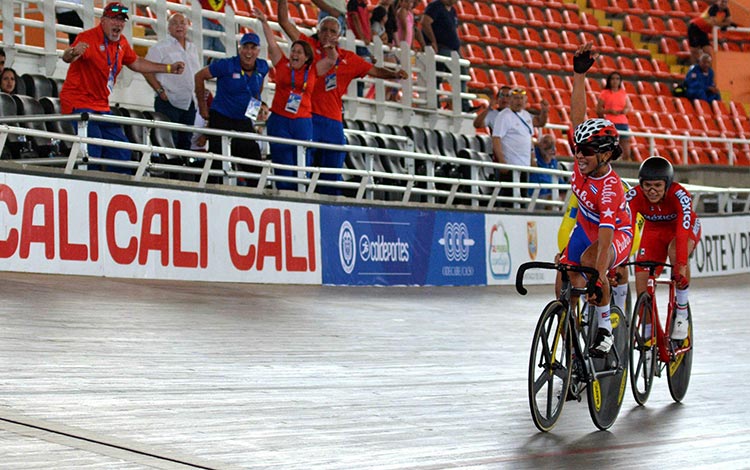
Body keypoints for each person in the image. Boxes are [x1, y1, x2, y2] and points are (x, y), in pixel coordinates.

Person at [278, 0, 408, 195]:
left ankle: (330, 209)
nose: (328, 34)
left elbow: (374, 70)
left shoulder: (347, 58)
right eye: (324, 30)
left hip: (333, 122)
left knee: (332, 172)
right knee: (304, 168)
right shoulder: (309, 48)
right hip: (308, 117)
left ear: (338, 36)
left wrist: (395, 73)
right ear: (318, 31)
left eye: (332, 31)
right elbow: (284, 22)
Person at [558, 42, 633, 356]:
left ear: (605, 155)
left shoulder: (609, 189)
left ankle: (605, 328)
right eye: (578, 150)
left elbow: (604, 243)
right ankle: (570, 341)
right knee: (564, 276)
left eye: (587, 152)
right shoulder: (583, 160)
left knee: (591, 266)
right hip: (586, 226)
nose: (579, 156)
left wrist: (601, 278)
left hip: (616, 234)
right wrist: (578, 75)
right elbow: (578, 119)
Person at [59, 2, 186, 174]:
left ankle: (117, 191)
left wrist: (169, 68)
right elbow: (68, 56)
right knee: (92, 150)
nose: (118, 24)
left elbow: (137, 63)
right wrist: (72, 53)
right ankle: (89, 189)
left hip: (101, 106)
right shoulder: (88, 37)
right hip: (79, 103)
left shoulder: (122, 43)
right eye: (113, 19)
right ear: (103, 21)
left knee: (121, 152)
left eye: (121, 21)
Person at [253, 7, 336, 191]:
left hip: (302, 122)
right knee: (282, 161)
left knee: (301, 163)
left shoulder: (313, 70)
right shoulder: (282, 65)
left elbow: (331, 61)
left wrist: (330, 49)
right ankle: (284, 195)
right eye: (293, 51)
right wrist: (265, 22)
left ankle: (300, 195)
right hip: (280, 120)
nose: (294, 55)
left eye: (299, 52)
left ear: (307, 58)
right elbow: (273, 44)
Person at [626, 156, 701, 340]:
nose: (652, 191)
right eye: (647, 185)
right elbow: (625, 230)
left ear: (667, 184)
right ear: (640, 184)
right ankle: (649, 329)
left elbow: (682, 233)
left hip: (683, 228)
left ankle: (681, 311)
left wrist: (681, 265)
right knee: (642, 280)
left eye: (657, 186)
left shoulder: (680, 195)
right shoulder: (633, 196)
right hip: (653, 231)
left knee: (675, 253)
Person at [194, 32, 269, 186]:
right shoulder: (226, 65)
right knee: (217, 163)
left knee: (255, 164)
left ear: (258, 51)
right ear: (239, 49)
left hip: (243, 120)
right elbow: (199, 76)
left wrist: (253, 111)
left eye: (253, 48)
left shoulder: (262, 66)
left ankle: (258, 198)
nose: (249, 52)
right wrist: (203, 108)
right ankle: (209, 195)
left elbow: (257, 88)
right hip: (221, 117)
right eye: (245, 47)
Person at [143, 13, 201, 152]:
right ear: (169, 27)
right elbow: (146, 69)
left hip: (189, 102)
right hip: (168, 101)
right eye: (175, 23)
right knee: (168, 140)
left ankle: (183, 173)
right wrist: (160, 91)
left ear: (188, 26)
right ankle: (169, 172)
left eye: (182, 23)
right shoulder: (160, 47)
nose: (179, 26)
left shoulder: (193, 48)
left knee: (186, 142)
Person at [491, 86, 549, 203]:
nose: (519, 101)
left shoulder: (526, 115)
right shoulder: (503, 116)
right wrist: (502, 162)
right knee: (509, 199)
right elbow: (496, 138)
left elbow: (532, 134)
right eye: (516, 98)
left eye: (521, 98)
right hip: (511, 165)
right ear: (511, 100)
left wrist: (544, 111)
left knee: (522, 197)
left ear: (526, 101)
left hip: (524, 165)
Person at [420, 0, 469, 112]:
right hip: (442, 47)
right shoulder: (436, 6)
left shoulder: (452, 11)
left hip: (452, 48)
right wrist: (433, 41)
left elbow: (453, 31)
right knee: (459, 71)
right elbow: (425, 22)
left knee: (439, 75)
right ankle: (462, 103)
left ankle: (439, 102)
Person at [596, 71, 632, 161]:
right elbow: (598, 110)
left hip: (623, 122)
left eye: (617, 79)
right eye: (613, 79)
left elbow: (628, 107)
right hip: (610, 122)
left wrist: (624, 110)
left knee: (626, 149)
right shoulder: (605, 93)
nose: (615, 81)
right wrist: (609, 111)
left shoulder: (623, 93)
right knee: (610, 147)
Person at [528, 134, 560, 201]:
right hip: (535, 196)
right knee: (553, 199)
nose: (551, 149)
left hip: (551, 195)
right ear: (540, 144)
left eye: (552, 145)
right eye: (545, 142)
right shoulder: (533, 157)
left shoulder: (553, 161)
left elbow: (560, 183)